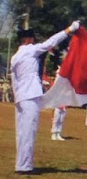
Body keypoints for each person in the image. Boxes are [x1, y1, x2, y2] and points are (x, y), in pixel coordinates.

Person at [11, 21, 79, 174]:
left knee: (21, 132)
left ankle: (21, 163)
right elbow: (51, 42)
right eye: (32, 38)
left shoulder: (15, 57)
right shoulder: (31, 50)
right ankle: (24, 166)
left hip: (21, 96)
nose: (34, 40)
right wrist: (69, 29)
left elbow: (14, 80)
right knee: (29, 131)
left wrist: (16, 96)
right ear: (28, 40)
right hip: (30, 95)